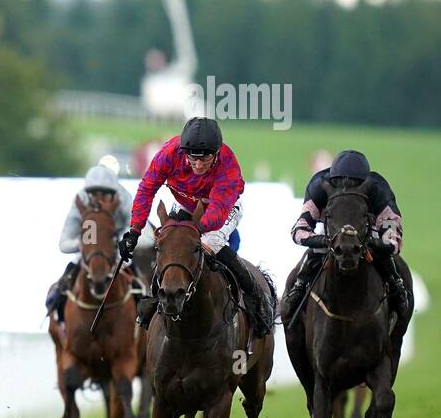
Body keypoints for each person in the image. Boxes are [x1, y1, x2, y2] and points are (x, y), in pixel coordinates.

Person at [118, 116, 273, 335]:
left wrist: (192, 233)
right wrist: (134, 230)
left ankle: (258, 300)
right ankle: (155, 298)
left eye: (205, 159)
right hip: (186, 203)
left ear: (216, 153)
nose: (199, 165)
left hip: (221, 207)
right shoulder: (168, 155)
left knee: (211, 244)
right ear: (183, 152)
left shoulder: (227, 163)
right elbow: (146, 189)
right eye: (193, 158)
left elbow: (217, 213)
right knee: (171, 245)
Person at [281, 149, 408, 324]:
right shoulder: (319, 186)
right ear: (332, 182)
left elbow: (393, 235)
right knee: (312, 255)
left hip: (366, 234)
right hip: (331, 236)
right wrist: (323, 241)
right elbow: (299, 230)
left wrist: (376, 244)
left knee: (387, 257)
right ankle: (298, 288)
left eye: (355, 185)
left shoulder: (378, 189)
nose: (346, 188)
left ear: (365, 185)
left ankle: (397, 287)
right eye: (340, 185)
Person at [45, 160, 132, 324]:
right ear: (87, 194)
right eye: (94, 194)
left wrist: (118, 243)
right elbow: (64, 243)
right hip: (89, 252)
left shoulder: (124, 199)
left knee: (141, 282)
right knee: (60, 286)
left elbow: (140, 231)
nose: (99, 199)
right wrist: (88, 244)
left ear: (114, 193)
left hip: (119, 252)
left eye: (104, 194)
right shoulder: (80, 200)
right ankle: (56, 310)